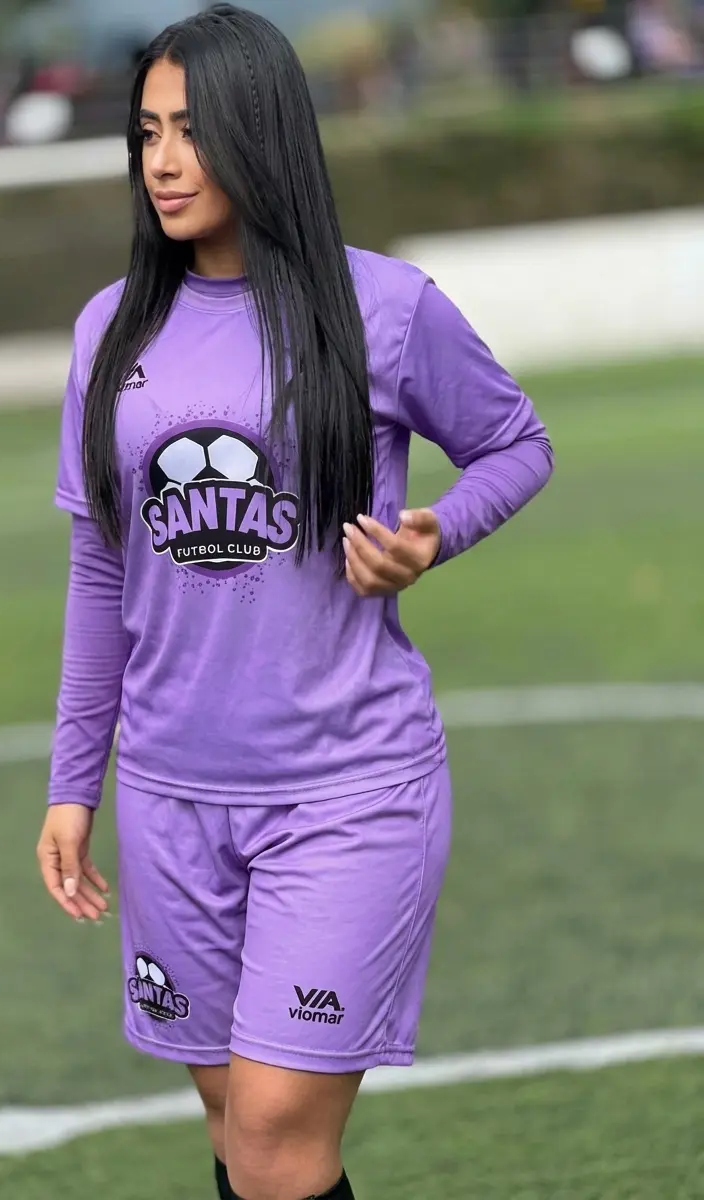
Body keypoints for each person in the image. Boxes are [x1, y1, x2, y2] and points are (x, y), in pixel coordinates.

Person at [36, 5, 554, 1198]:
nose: (163, 161)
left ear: (261, 133)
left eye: (191, 131)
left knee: (273, 1131)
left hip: (345, 789)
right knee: (235, 1128)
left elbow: (515, 445)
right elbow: (100, 568)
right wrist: (73, 785)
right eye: (146, 133)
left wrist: (434, 533)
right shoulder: (109, 331)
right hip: (170, 798)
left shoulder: (384, 307)